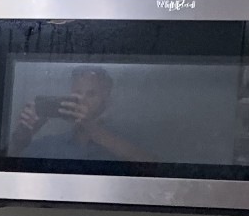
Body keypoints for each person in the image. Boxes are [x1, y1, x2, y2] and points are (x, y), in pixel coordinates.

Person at [8, 66, 148, 161]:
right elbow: (8, 168)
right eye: (77, 93)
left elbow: (151, 166)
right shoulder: (50, 144)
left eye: (91, 94)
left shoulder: (127, 140)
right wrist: (24, 132)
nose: (82, 100)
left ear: (106, 100)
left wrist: (91, 126)